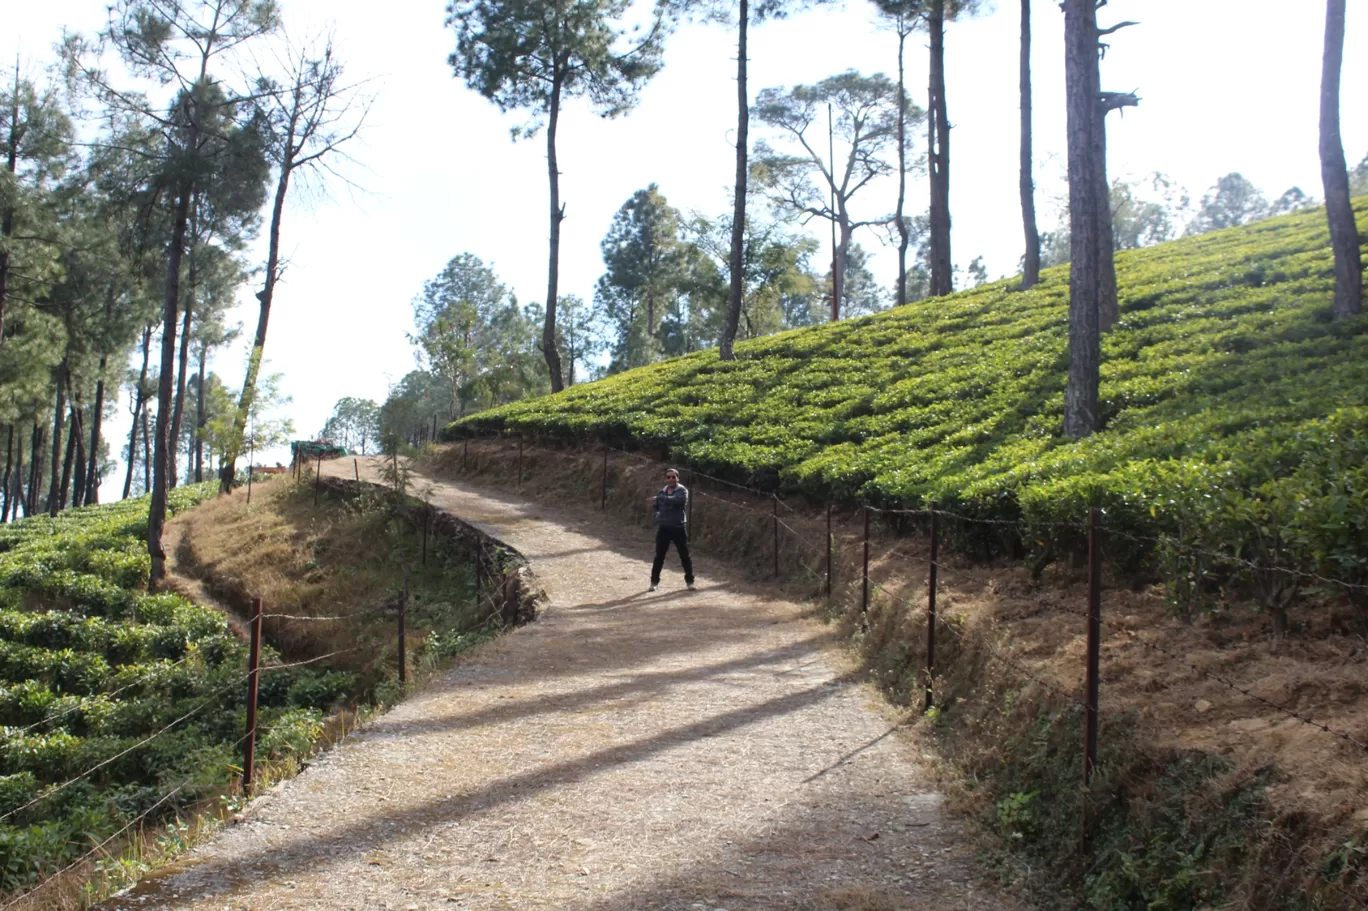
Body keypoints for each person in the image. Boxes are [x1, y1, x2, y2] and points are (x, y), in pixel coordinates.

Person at [647, 468, 695, 592]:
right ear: (665, 479)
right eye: (668, 477)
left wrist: (659, 498)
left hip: (678, 527)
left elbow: (678, 502)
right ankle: (654, 583)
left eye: (673, 477)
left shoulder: (682, 491)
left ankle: (690, 582)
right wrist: (657, 514)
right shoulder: (662, 492)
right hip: (664, 528)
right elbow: (656, 507)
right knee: (659, 557)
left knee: (684, 556)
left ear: (678, 478)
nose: (671, 479)